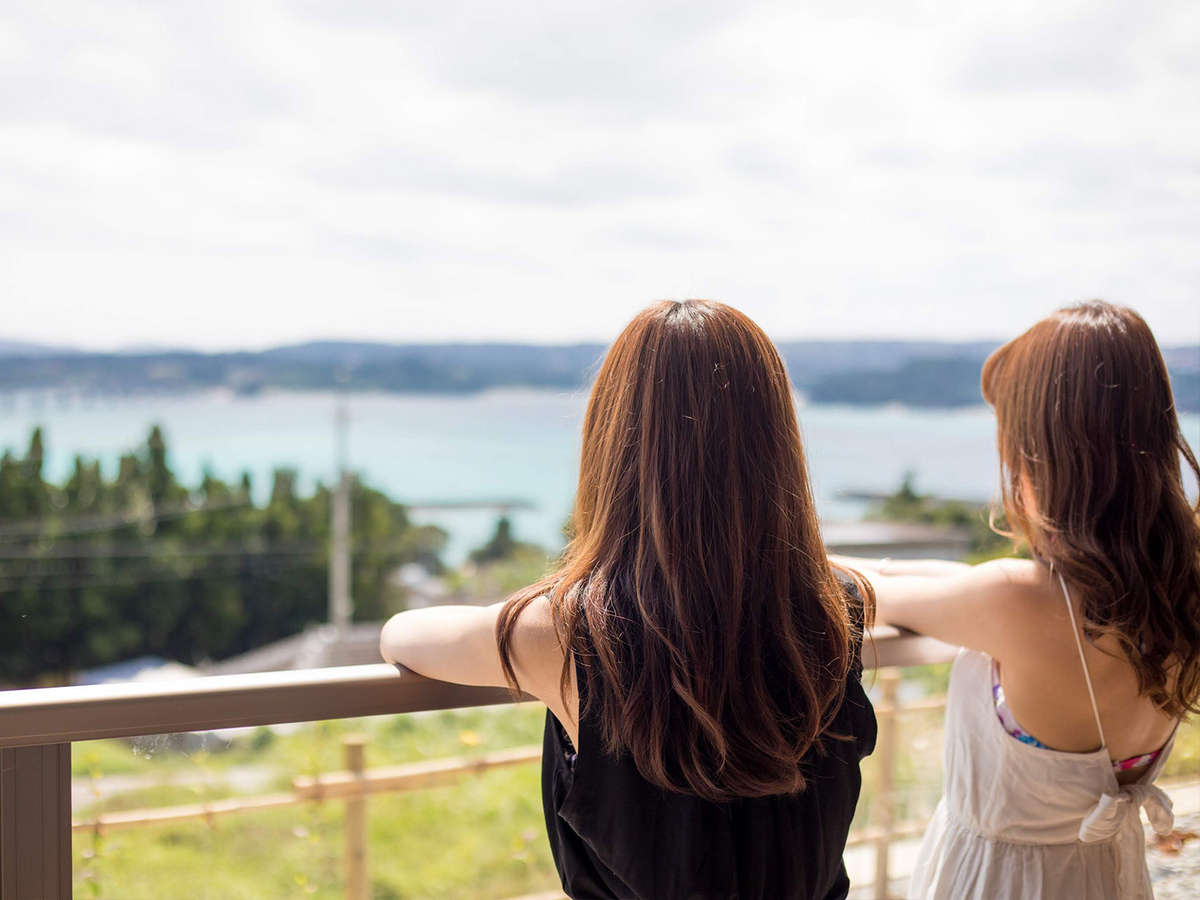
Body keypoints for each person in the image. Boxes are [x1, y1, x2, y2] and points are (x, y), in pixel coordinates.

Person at [381, 300, 877, 899]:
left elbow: (402, 635)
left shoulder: (574, 632)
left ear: (613, 441)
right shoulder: (833, 611)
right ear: (776, 443)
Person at [836, 301, 1200, 899]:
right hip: (1108, 876)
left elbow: (870, 595)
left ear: (1044, 451)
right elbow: (952, 583)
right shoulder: (1175, 587)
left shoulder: (1017, 603)